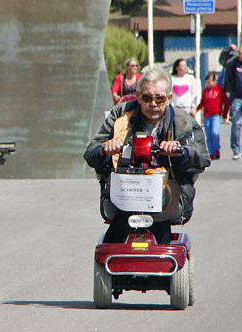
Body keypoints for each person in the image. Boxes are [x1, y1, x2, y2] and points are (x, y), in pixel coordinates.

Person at [84, 66, 210, 244]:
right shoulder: (120, 116)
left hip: (167, 193)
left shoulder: (183, 123)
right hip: (126, 192)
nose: (153, 104)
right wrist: (105, 149)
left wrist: (180, 152)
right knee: (115, 234)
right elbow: (90, 151)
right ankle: (112, 261)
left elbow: (203, 158)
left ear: (169, 99)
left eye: (159, 98)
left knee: (161, 220)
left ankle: (164, 261)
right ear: (138, 96)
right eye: (147, 97)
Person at [196, 72, 229, 160]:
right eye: (207, 82)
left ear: (214, 81)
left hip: (216, 115)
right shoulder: (205, 91)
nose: (208, 84)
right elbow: (203, 102)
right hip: (207, 115)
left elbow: (226, 102)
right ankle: (211, 152)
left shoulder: (219, 90)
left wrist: (225, 114)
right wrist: (197, 109)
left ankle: (216, 150)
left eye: (210, 82)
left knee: (214, 132)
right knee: (208, 134)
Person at [224, 45, 242, 160]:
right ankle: (236, 149)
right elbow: (228, 79)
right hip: (237, 97)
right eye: (239, 53)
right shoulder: (232, 63)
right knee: (236, 123)